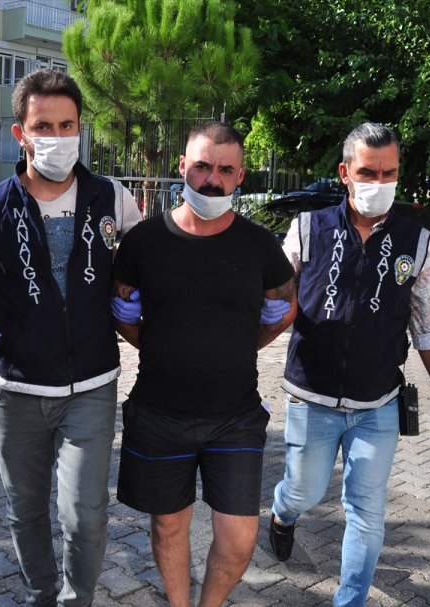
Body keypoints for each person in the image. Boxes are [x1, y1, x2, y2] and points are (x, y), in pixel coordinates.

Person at [0, 69, 143, 607]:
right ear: (20, 133)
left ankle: (76, 600)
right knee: (25, 512)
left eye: (67, 126)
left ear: (80, 128)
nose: (57, 137)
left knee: (85, 515)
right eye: (43, 126)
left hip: (92, 386)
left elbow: (152, 269)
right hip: (16, 392)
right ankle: (41, 595)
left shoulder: (113, 199)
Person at [267, 123, 430, 607]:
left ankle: (349, 600)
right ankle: (283, 514)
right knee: (304, 492)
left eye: (389, 173)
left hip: (378, 403)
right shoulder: (308, 229)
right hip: (311, 396)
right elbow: (272, 302)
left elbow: (428, 326)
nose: (379, 182)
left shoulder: (415, 241)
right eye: (368, 172)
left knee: (367, 511)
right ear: (345, 172)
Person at [110, 121, 297, 607]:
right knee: (168, 526)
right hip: (159, 413)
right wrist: (156, 345)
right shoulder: (144, 241)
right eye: (202, 166)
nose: (212, 180)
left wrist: (245, 344)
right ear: (182, 167)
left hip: (235, 418)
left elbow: (285, 308)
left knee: (238, 540)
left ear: (240, 177)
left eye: (225, 170)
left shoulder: (259, 244)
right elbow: (122, 312)